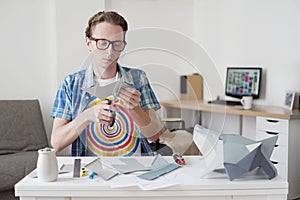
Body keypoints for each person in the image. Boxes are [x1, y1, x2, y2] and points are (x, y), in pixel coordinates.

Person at [50, 11, 163, 156]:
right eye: (102, 43)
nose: (110, 52)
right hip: (89, 172)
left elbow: (153, 136)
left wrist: (135, 109)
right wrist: (87, 115)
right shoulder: (71, 84)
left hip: (136, 171)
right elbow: (57, 143)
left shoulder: (138, 78)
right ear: (88, 43)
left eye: (117, 44)